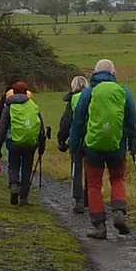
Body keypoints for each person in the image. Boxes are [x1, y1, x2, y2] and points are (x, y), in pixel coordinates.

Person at [69, 59, 136, 239]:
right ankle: (119, 212)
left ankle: (99, 227)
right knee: (117, 178)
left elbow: (78, 121)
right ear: (113, 74)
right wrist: (134, 144)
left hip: (93, 147)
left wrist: (74, 146)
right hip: (117, 146)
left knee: (94, 185)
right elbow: (132, 120)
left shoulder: (88, 93)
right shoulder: (124, 92)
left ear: (95, 74)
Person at [0, 81, 46, 206]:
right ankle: (24, 197)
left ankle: (14, 185)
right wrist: (41, 145)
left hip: (13, 141)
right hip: (30, 143)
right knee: (27, 169)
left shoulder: (9, 106)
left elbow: (2, 128)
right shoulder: (33, 105)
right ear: (26, 92)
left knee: (13, 166)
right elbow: (40, 127)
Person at [58, 75, 90, 214]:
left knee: (76, 169)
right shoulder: (92, 98)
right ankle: (90, 198)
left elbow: (66, 122)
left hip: (76, 139)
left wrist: (61, 139)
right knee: (90, 169)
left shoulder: (73, 100)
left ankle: (79, 200)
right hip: (91, 139)